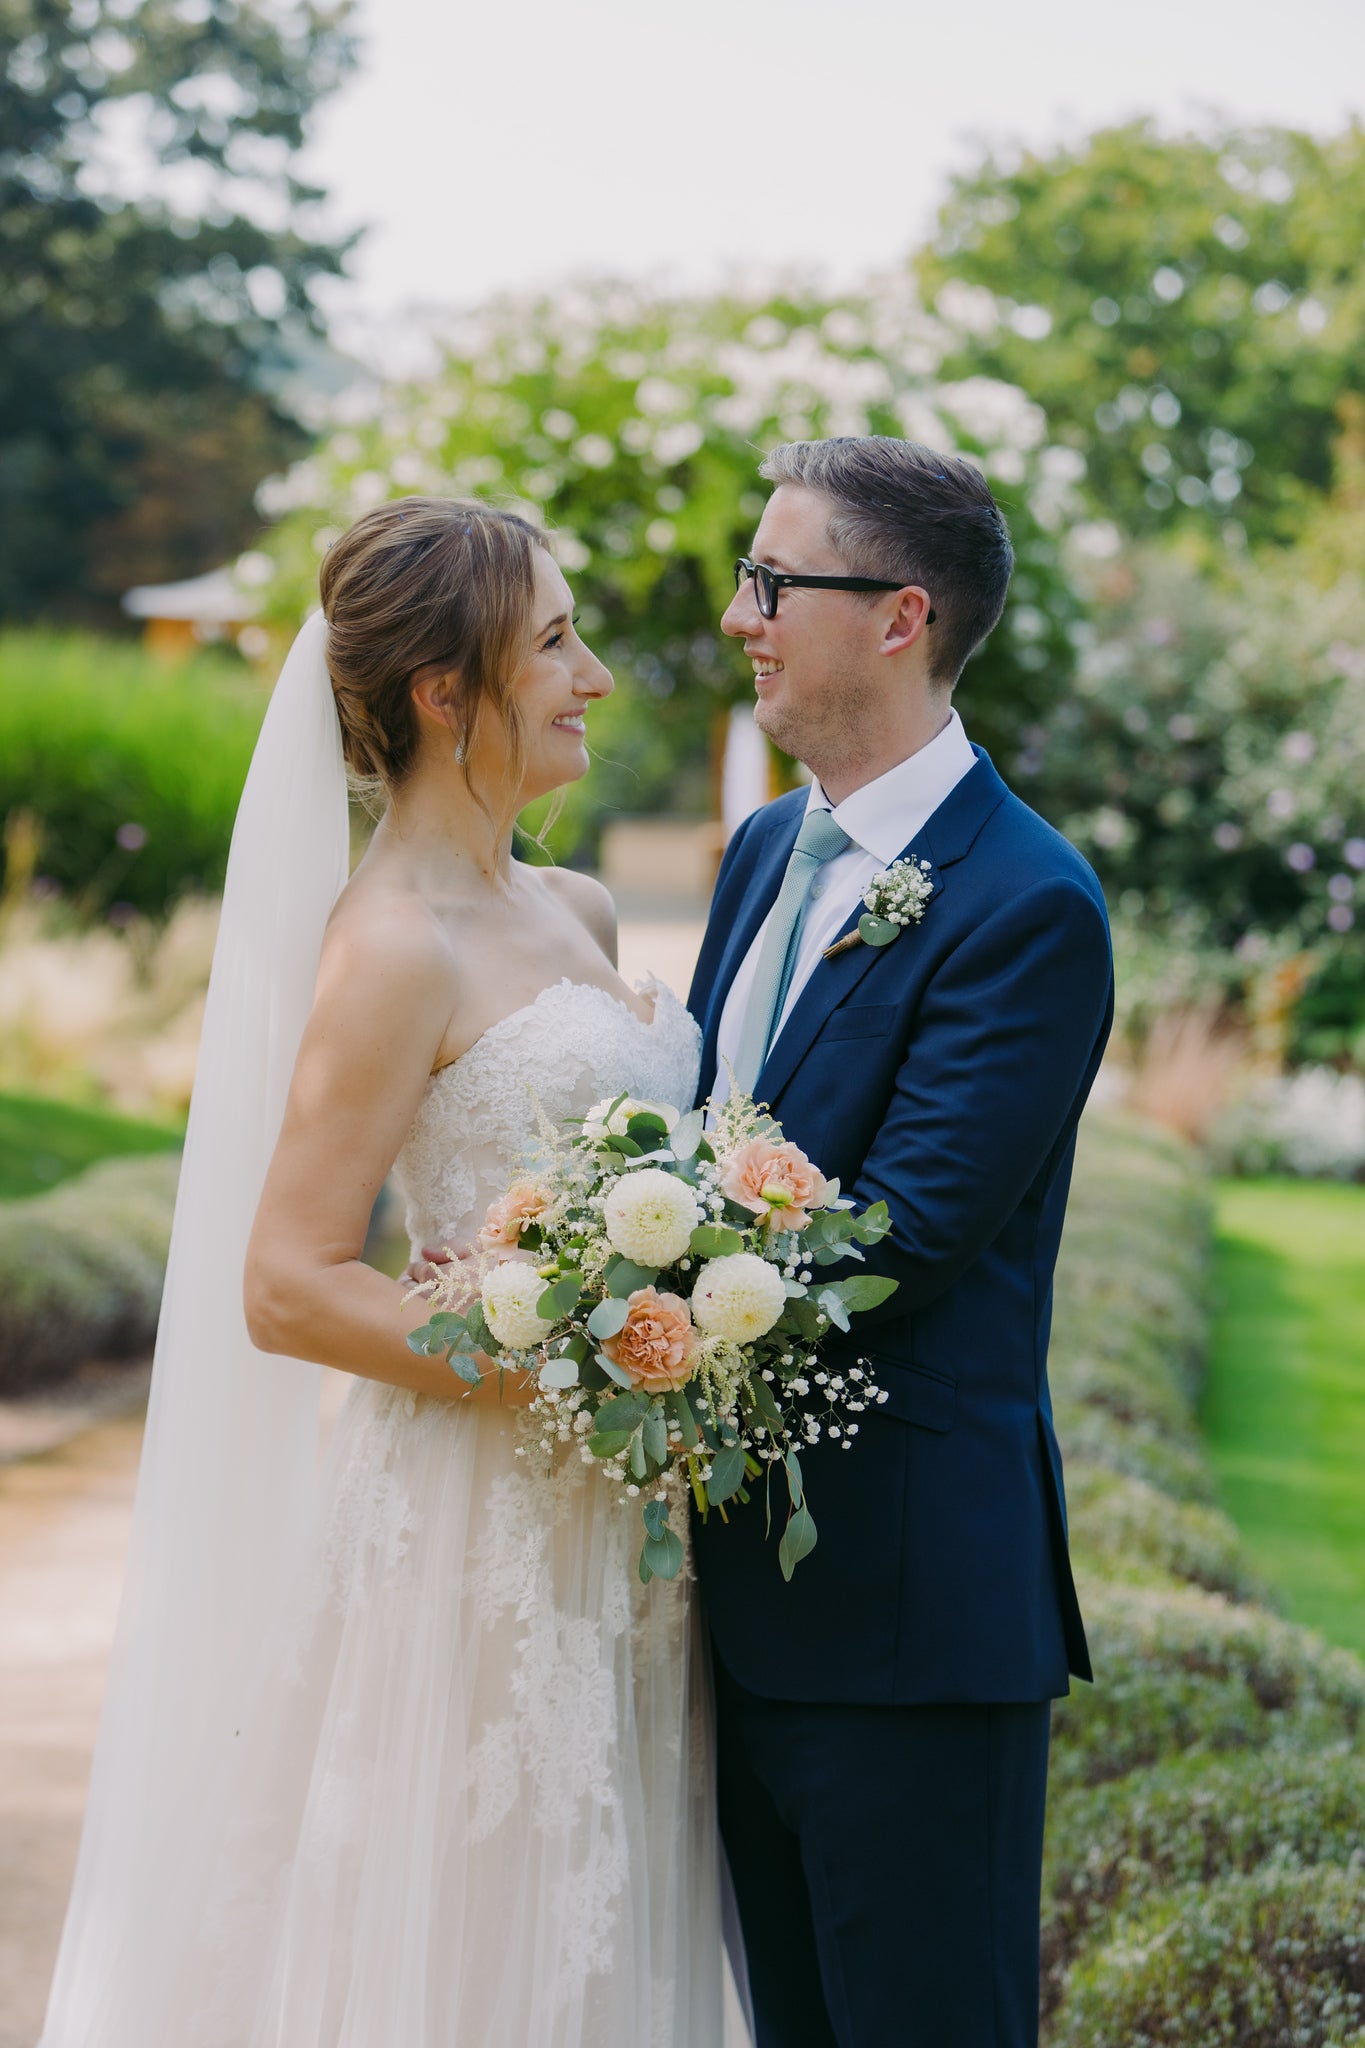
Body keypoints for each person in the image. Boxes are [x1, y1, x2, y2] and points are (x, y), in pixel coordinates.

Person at [40, 499, 726, 2047]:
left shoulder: (577, 906)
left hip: (627, 1524)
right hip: (477, 1522)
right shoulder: (392, 947)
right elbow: (286, 1284)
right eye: (555, 643)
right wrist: (557, 1349)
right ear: (442, 690)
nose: (594, 677)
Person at [687, 437, 1114, 2048]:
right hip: (736, 1608)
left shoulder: (1025, 901)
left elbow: (902, 1236)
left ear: (897, 616)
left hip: (908, 1622)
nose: (740, 616)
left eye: (771, 581)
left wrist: (587, 1297)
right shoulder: (758, 853)